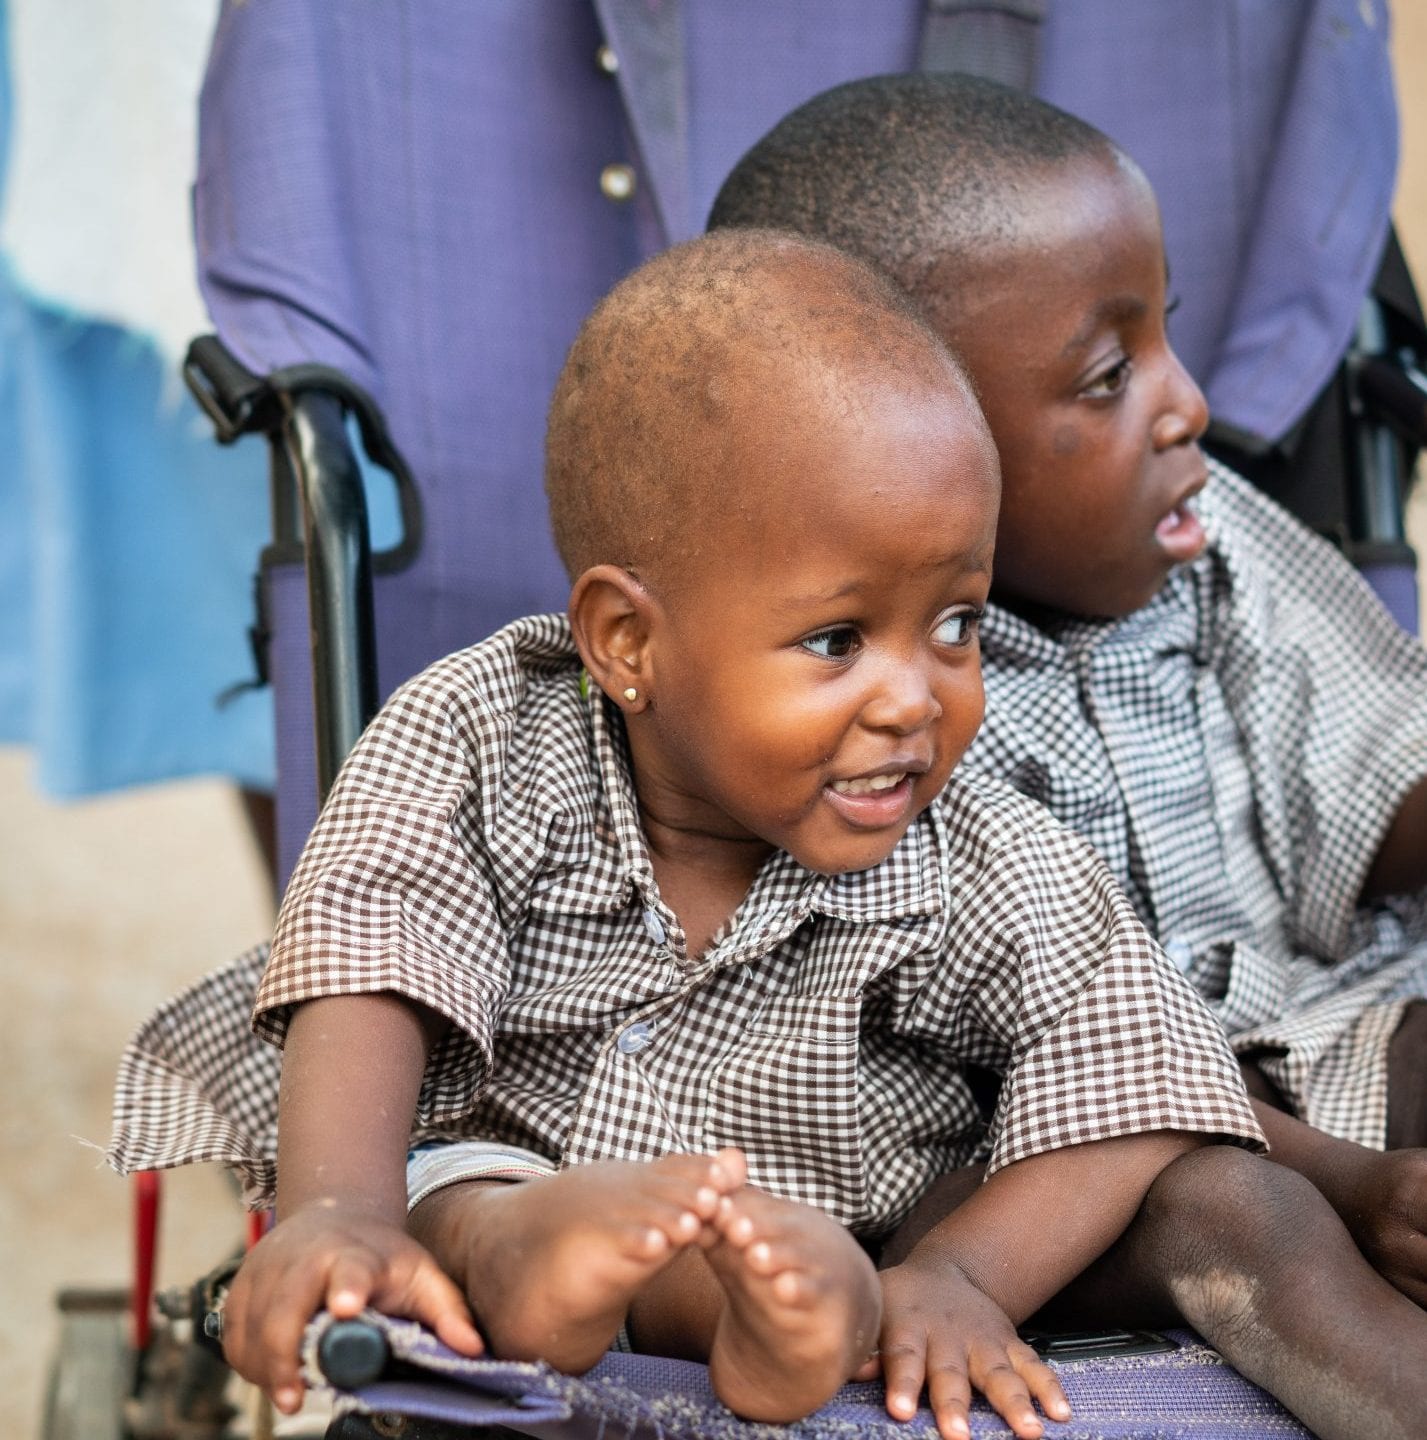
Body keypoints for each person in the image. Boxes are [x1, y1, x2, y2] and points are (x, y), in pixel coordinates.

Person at [117, 228, 1302, 1440]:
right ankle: (545, 1260)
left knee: (824, 1266)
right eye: (838, 640)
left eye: (954, 622)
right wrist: (336, 1206)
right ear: (627, 643)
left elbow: (1130, 1063)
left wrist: (957, 1276)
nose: (914, 698)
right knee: (464, 1194)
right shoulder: (480, 737)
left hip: (825, 1226)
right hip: (504, 1175)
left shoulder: (969, 838)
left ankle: (765, 1313)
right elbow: (369, 956)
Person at [710, 73, 1427, 1310]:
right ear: (896, 443)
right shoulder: (860, 708)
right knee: (1188, 1190)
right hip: (1063, 1131)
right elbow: (959, 1062)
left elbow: (1380, 777)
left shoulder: (1214, 545)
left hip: (1330, 1030)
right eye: (1108, 378)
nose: (1188, 406)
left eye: (1167, 334)